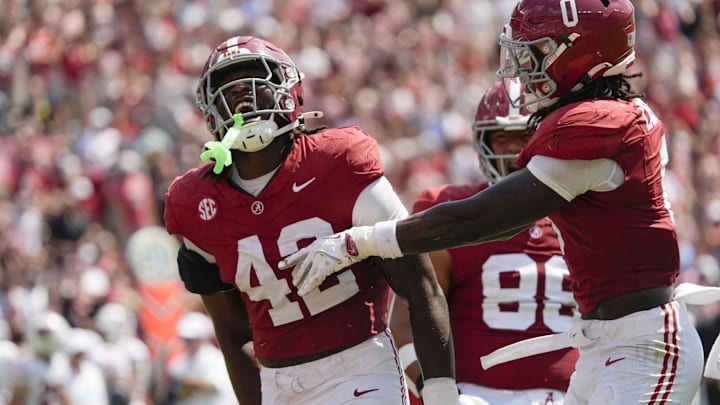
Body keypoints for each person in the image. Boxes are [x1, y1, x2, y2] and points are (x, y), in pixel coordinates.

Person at [281, 1, 707, 403]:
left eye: (538, 50)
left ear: (583, 53)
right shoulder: (611, 115)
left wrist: (360, 241)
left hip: (643, 341)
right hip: (606, 342)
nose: (525, 67)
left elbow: (486, 218)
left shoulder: (598, 123)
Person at [163, 36, 459, 405]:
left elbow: (420, 285)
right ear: (210, 110)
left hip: (359, 366)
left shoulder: (340, 161)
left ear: (289, 91)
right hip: (276, 382)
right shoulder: (194, 203)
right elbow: (231, 330)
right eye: (231, 91)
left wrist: (442, 392)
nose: (244, 99)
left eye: (256, 84)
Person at [389, 79, 579, 404]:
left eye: (525, 136)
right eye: (502, 138)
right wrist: (439, 393)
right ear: (482, 142)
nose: (514, 150)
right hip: (479, 397)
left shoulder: (585, 218)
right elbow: (405, 324)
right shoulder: (449, 211)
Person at [167, 312, 237, 405]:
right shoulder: (180, 360)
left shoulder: (215, 358)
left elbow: (215, 386)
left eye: (191, 339)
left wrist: (188, 382)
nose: (188, 343)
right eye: (186, 339)